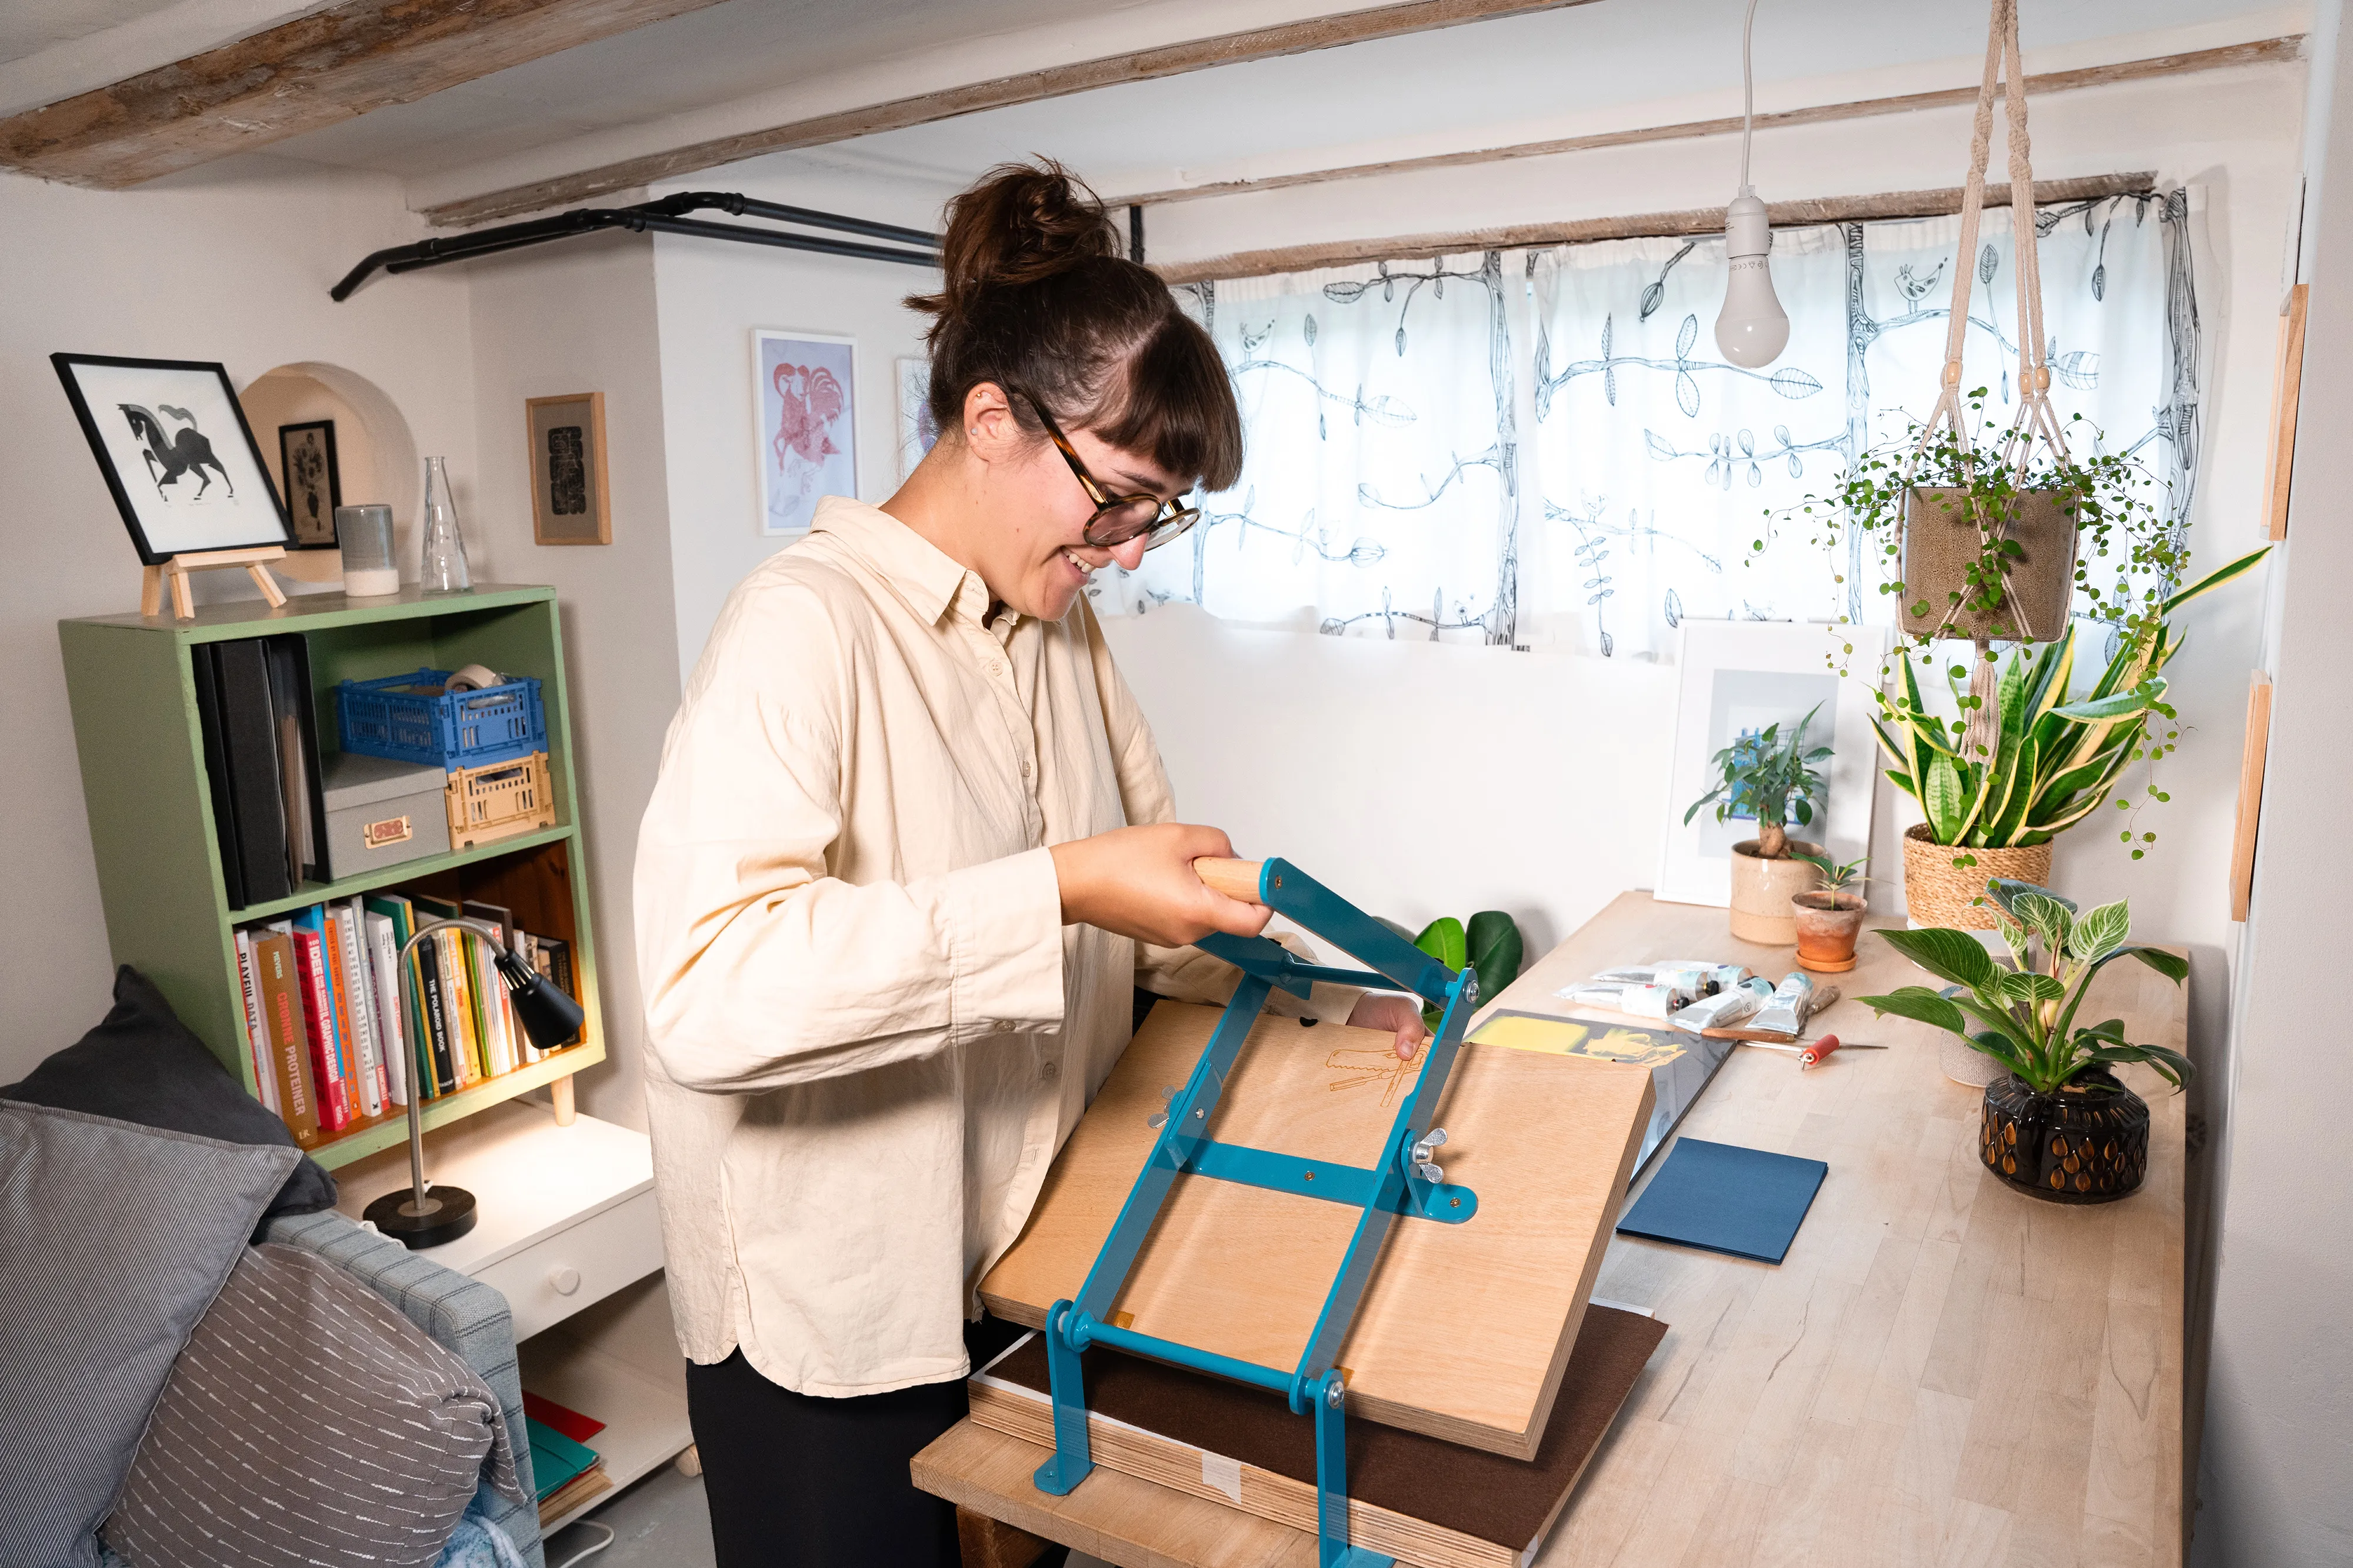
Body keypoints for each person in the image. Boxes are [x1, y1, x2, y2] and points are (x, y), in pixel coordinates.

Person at [632, 159, 1428, 1567]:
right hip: (831, 1326)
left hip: (1022, 1269)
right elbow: (706, 992)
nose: (1123, 551)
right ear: (990, 418)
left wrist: (1322, 1001)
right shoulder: (799, 626)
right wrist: (1058, 886)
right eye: (1114, 500)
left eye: (1154, 517)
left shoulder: (1059, 632)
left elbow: (1160, 911)